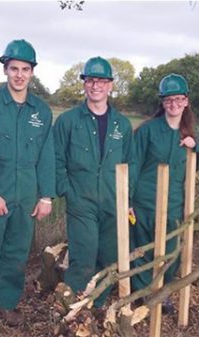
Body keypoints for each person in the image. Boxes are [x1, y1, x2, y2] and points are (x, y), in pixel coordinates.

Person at [0, 39, 56, 337]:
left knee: (17, 253)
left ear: (32, 72)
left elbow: (46, 155)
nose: (19, 74)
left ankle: (6, 303)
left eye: (25, 69)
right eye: (14, 68)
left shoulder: (41, 111)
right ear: (5, 70)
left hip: (27, 193)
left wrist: (45, 197)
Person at [53, 56, 134, 308]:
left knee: (109, 258)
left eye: (101, 81)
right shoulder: (68, 121)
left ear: (111, 85)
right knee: (83, 257)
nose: (95, 86)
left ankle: (95, 307)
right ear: (84, 84)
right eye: (90, 80)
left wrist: (127, 201)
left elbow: (129, 164)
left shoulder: (122, 124)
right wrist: (67, 191)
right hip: (82, 202)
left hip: (113, 203)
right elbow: (56, 160)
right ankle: (71, 310)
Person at [129, 73, 199, 310]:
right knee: (143, 248)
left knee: (171, 250)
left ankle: (163, 290)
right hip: (145, 201)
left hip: (173, 202)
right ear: (162, 103)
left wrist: (197, 146)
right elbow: (133, 164)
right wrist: (128, 199)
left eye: (178, 99)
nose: (173, 104)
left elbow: (197, 165)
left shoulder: (190, 132)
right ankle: (143, 292)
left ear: (186, 102)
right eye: (168, 100)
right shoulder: (148, 131)